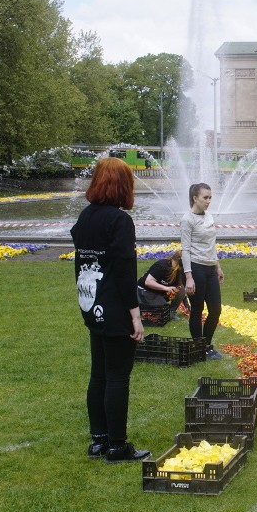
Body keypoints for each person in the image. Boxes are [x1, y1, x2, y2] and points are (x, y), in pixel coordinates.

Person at [71, 157, 150, 463]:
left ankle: (98, 440)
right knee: (118, 375)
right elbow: (124, 270)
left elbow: (83, 259)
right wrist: (135, 313)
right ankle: (117, 445)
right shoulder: (119, 221)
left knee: (99, 373)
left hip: (91, 303)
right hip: (115, 305)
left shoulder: (86, 217)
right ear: (123, 186)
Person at [181, 183, 225, 360]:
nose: (208, 201)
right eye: (205, 197)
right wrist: (189, 277)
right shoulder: (187, 219)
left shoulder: (209, 217)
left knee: (215, 309)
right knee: (197, 309)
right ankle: (199, 347)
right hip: (196, 268)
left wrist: (218, 266)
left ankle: (206, 345)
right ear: (195, 198)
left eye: (210, 198)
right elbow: (185, 250)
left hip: (210, 268)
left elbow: (211, 245)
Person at [137, 250, 187, 319]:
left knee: (181, 289)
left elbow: (181, 288)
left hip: (159, 292)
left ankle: (171, 312)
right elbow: (148, 282)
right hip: (145, 290)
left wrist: (187, 307)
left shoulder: (179, 270)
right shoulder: (162, 265)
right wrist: (166, 288)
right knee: (161, 307)